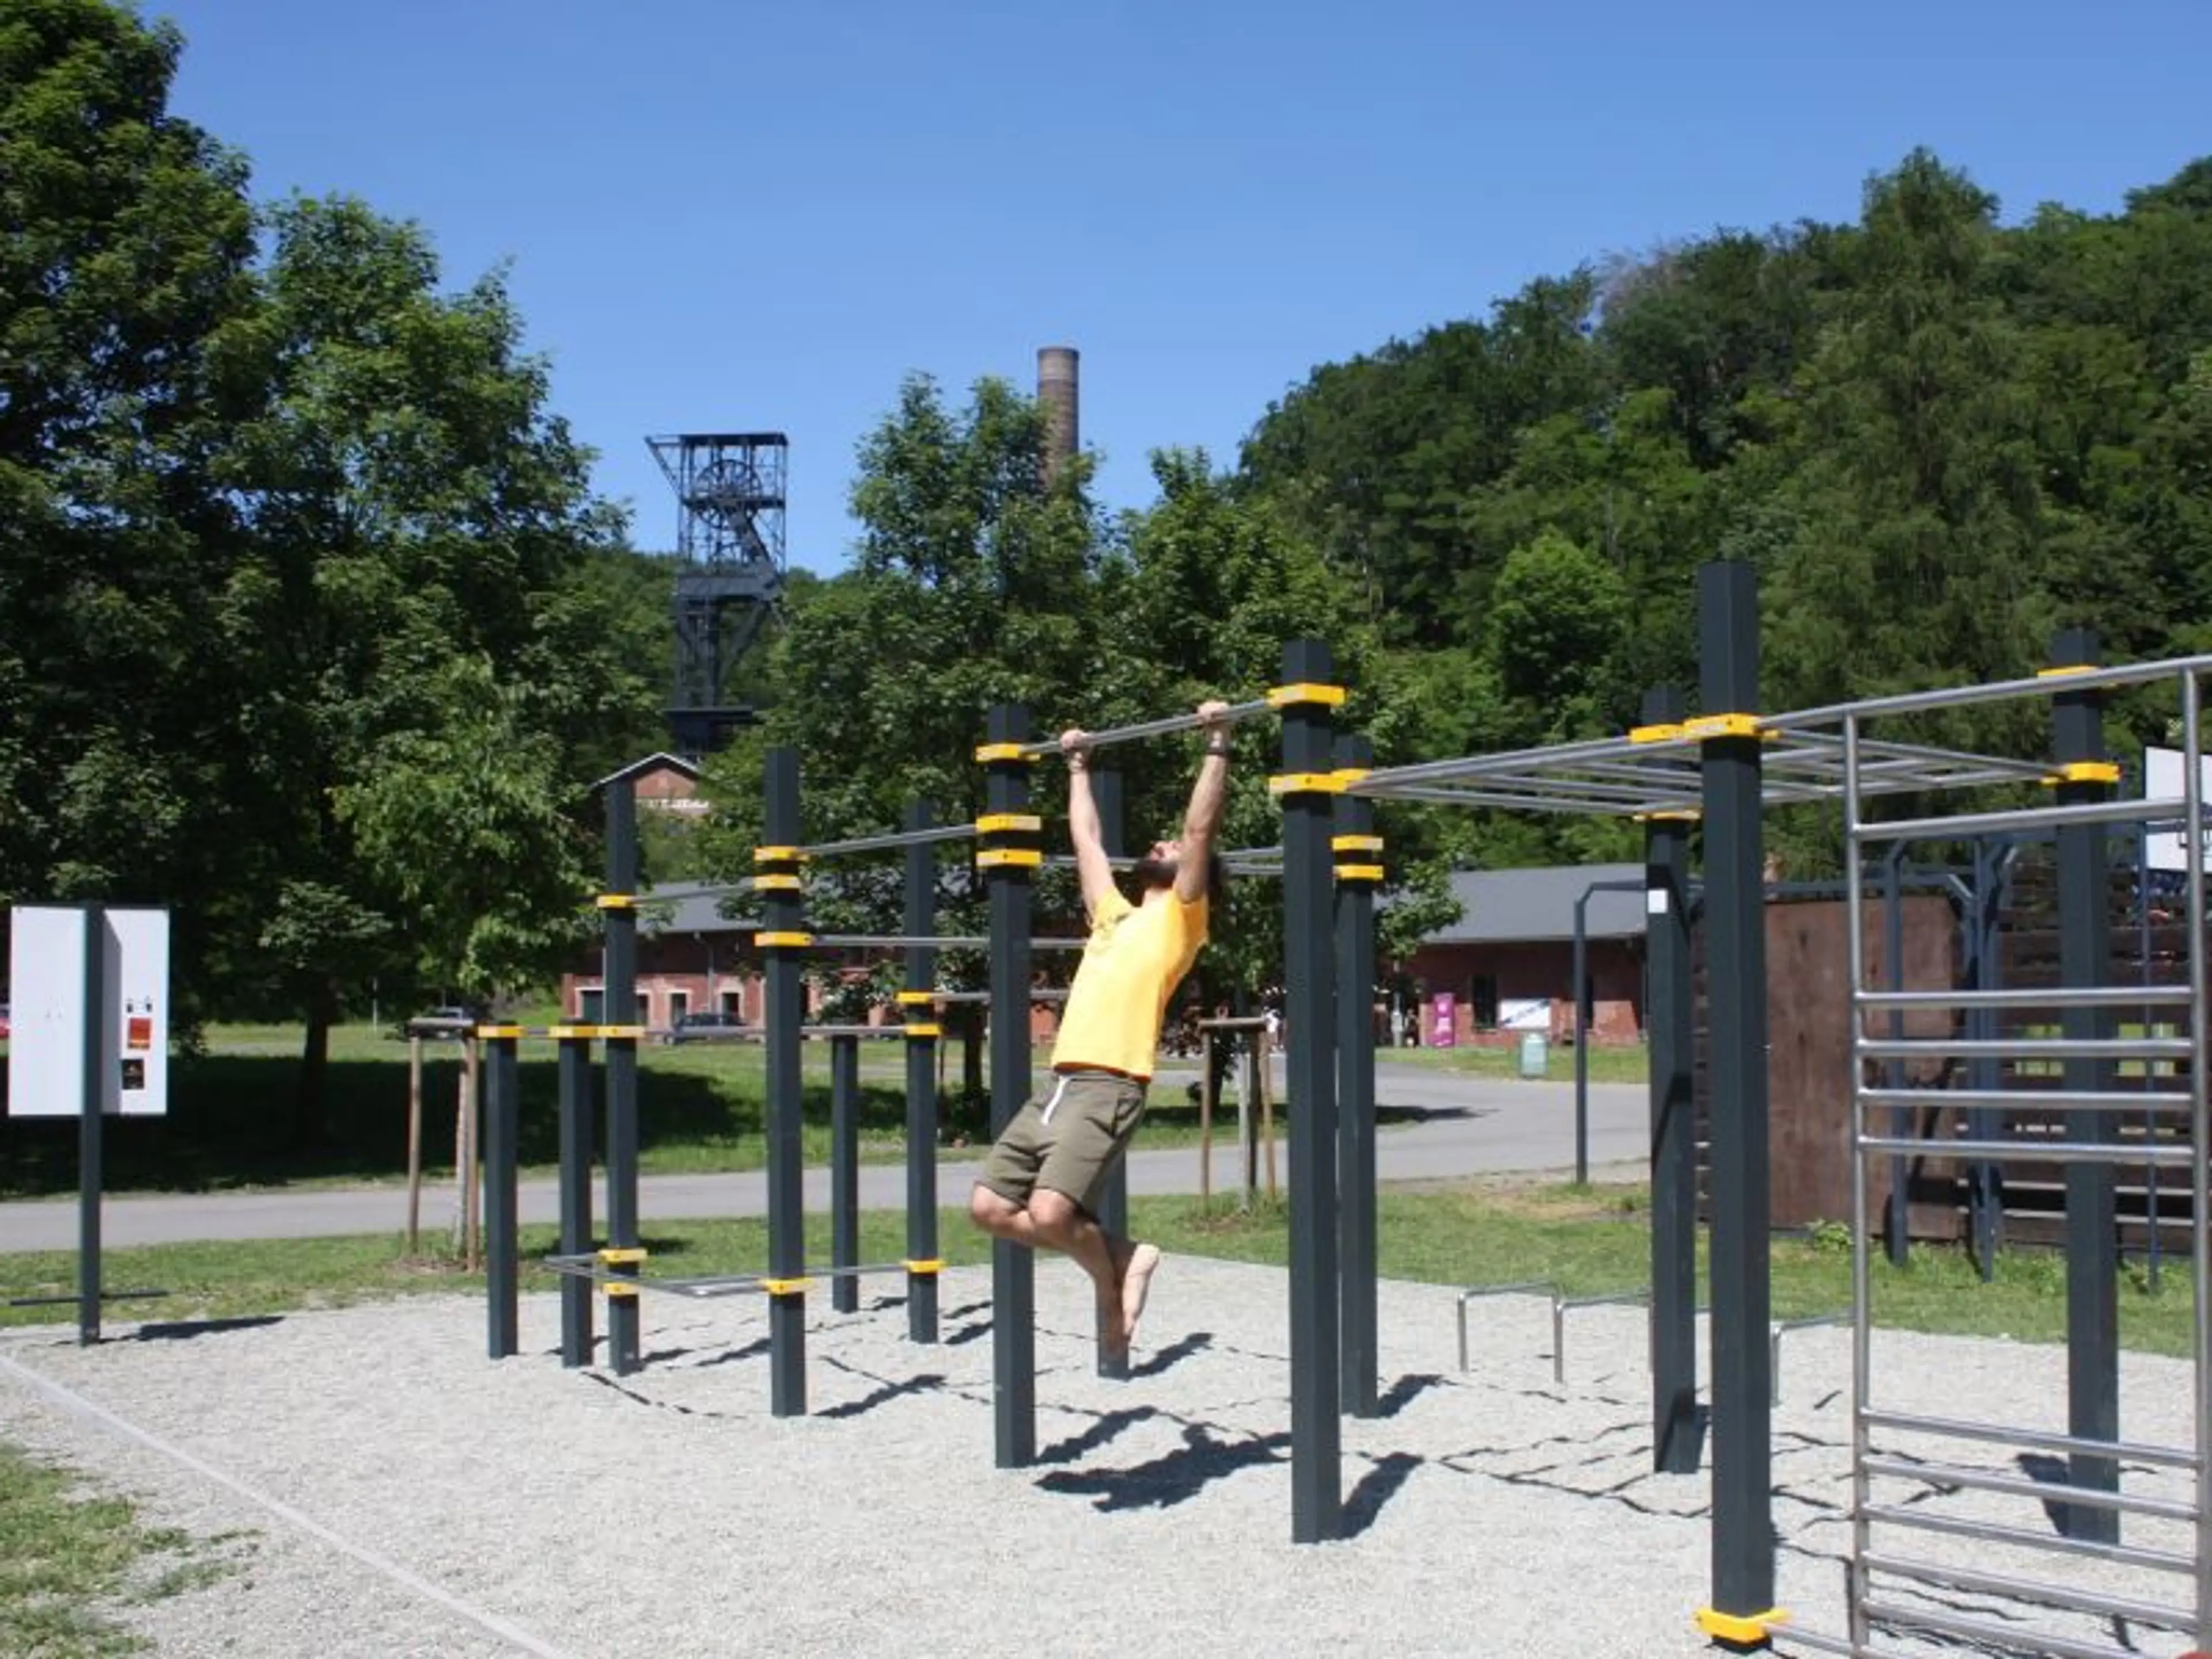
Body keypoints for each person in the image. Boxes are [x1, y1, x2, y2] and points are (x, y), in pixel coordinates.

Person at [967, 699, 1233, 1360]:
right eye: (1159, 845)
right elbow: (1086, 840)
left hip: (1110, 1084)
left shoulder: (1182, 922)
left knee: (1054, 1214)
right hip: (1057, 1085)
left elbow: (1199, 831)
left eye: (1167, 847)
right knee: (988, 1208)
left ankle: (1108, 1281)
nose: (1162, 845)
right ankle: (1124, 1257)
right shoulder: (1113, 915)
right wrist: (1078, 767)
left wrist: (1218, 743)